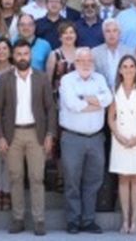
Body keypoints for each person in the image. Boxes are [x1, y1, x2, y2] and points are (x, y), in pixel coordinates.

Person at [0, 39, 56, 236]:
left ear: (31, 55)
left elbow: (50, 108)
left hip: (36, 133)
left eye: (25, 54)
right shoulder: (5, 79)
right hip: (13, 134)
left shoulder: (41, 78)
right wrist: (0, 137)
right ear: (13, 55)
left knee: (37, 178)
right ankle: (18, 218)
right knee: (15, 177)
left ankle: (39, 220)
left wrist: (50, 134)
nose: (22, 58)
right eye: (18, 54)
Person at [59, 47, 113, 234]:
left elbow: (108, 99)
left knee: (93, 181)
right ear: (75, 62)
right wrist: (95, 103)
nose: (86, 64)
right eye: (81, 60)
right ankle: (73, 220)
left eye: (89, 60)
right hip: (72, 138)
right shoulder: (67, 80)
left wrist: (85, 100)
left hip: (96, 138)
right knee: (72, 181)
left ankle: (88, 220)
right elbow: (72, 104)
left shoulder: (100, 79)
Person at [108, 54, 136, 234]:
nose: (128, 69)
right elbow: (110, 117)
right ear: (120, 70)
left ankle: (134, 221)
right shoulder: (114, 89)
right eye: (125, 66)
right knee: (123, 178)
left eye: (131, 66)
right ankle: (125, 220)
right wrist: (117, 135)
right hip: (120, 138)